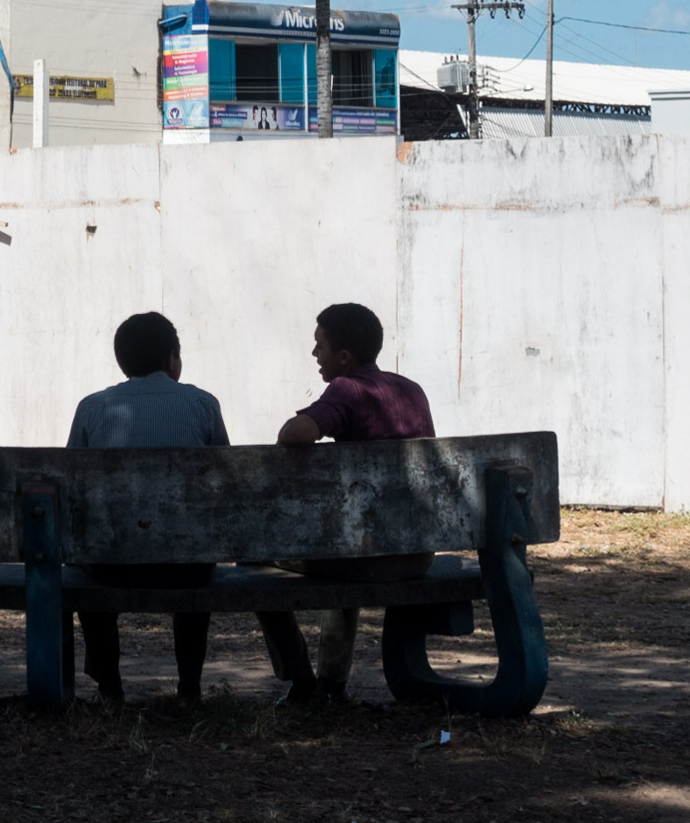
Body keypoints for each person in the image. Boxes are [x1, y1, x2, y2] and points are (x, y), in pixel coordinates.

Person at [256, 301, 436, 703]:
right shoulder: (411, 389)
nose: (314, 354)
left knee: (255, 562)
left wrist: (289, 426)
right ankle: (332, 685)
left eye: (319, 346)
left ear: (344, 357)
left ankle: (303, 682)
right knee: (347, 547)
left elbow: (300, 434)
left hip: (367, 559)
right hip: (418, 553)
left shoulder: (348, 388)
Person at [66, 311, 228, 704]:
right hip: (187, 568)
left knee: (87, 559)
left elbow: (71, 481)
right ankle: (189, 684)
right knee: (192, 544)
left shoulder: (92, 408)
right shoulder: (203, 405)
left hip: (112, 567)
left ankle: (110, 685)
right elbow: (225, 480)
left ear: (121, 362)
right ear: (173, 358)